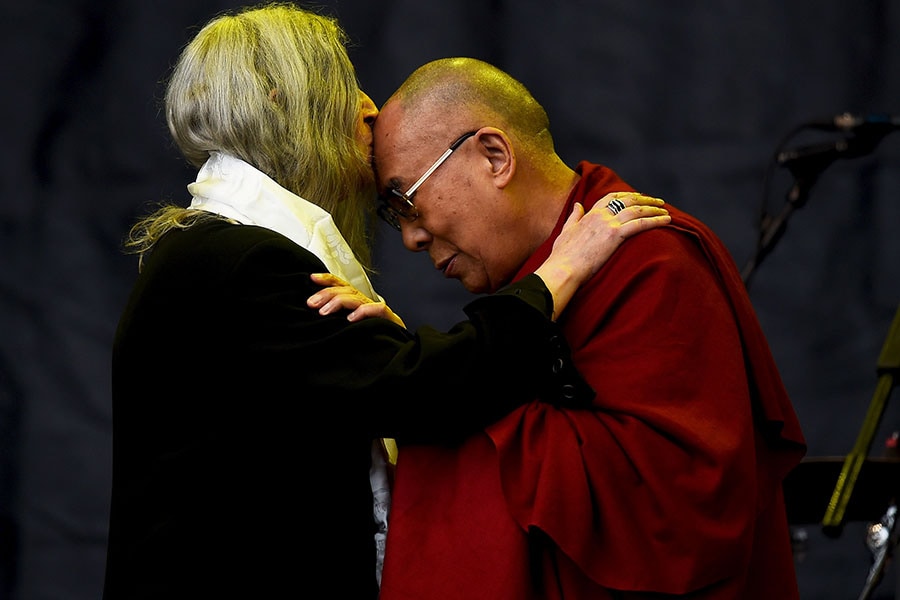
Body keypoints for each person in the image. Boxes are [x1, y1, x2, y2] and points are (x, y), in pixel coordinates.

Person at [101, 5, 671, 600]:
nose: (370, 108)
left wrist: (382, 355)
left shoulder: (207, 253)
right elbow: (423, 396)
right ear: (282, 104)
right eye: (344, 87)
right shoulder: (240, 260)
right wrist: (561, 272)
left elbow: (366, 392)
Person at [361, 57, 808, 599]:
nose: (410, 238)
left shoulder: (651, 262)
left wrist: (436, 394)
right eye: (393, 217)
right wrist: (418, 370)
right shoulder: (541, 279)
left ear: (495, 157)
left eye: (406, 202)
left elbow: (679, 505)